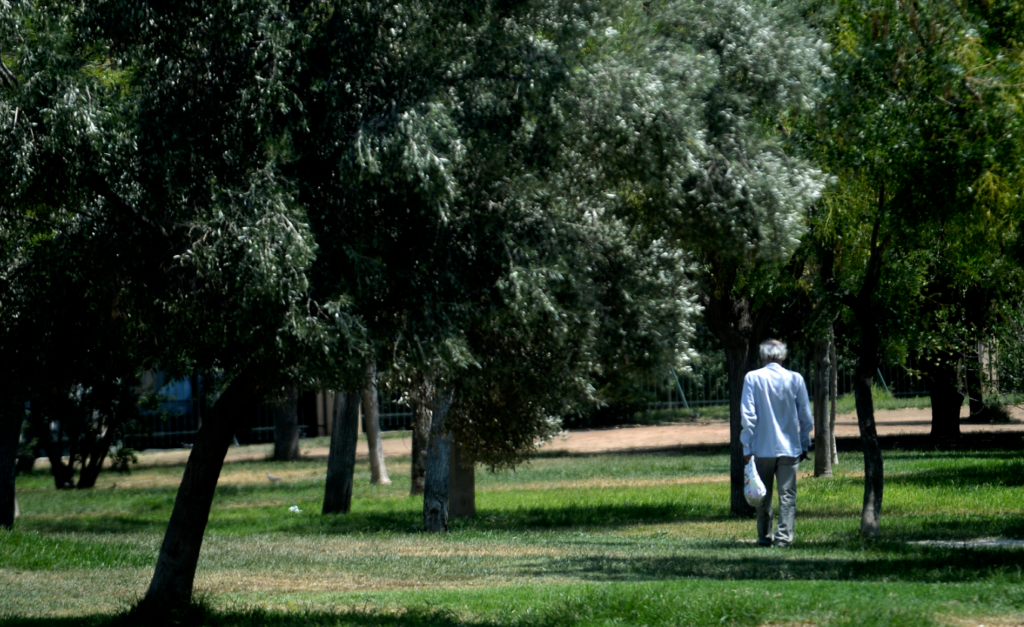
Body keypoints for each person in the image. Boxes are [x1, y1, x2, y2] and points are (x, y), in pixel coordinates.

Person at [741, 339, 812, 547]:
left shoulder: (752, 378)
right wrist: (804, 442)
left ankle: (764, 537)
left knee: (762, 494)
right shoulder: (795, 379)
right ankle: (784, 538)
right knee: (787, 495)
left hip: (761, 447)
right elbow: (806, 416)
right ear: (783, 356)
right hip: (790, 447)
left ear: (763, 356)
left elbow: (748, 416)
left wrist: (747, 446)